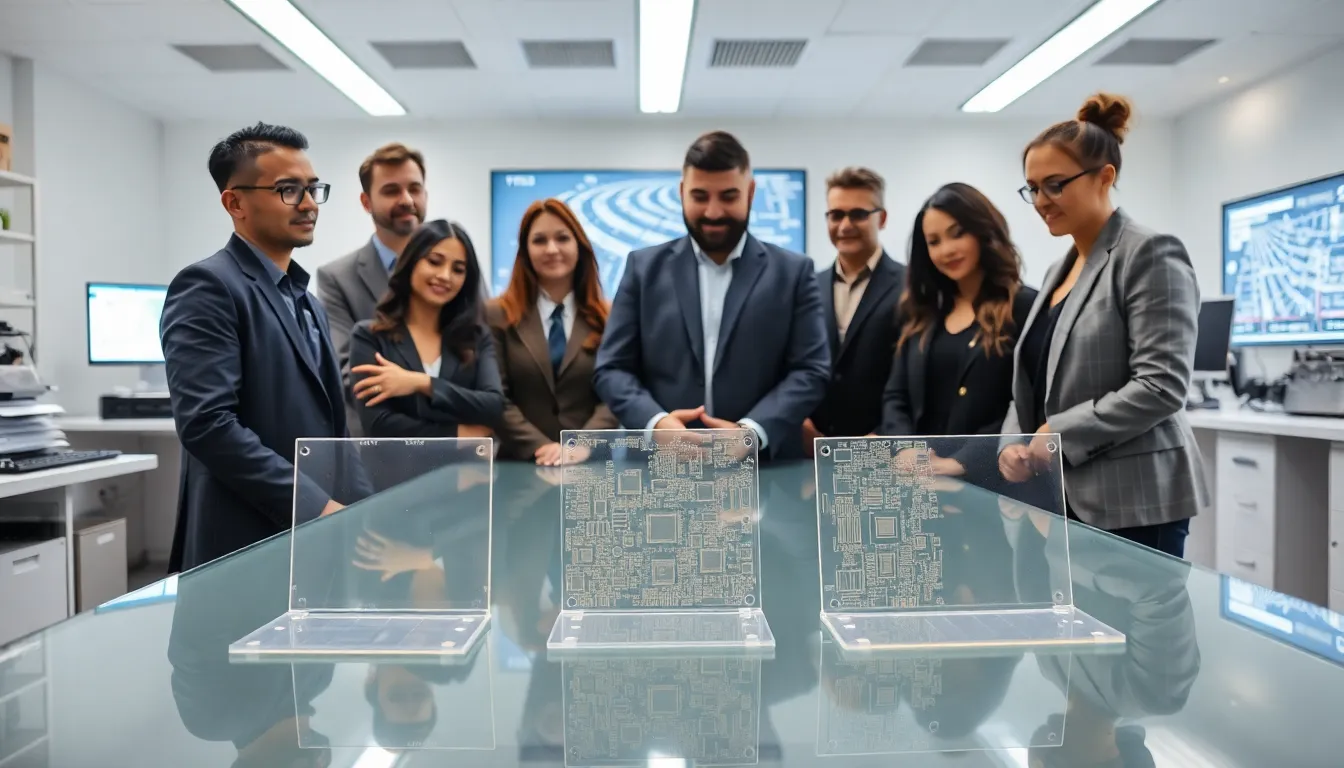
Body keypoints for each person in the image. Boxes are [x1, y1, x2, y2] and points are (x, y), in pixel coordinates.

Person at [998, 92, 1207, 558]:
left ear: (1104, 177)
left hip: (1136, 498)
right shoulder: (1059, 269)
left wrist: (1057, 433)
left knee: (1142, 634)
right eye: (1031, 188)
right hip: (1063, 496)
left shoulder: (1150, 253)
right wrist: (1012, 443)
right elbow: (1031, 383)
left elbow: (1161, 385)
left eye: (1054, 184)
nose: (1040, 201)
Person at [161, 122, 351, 572]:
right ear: (235, 202)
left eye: (312, 189)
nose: (308, 204)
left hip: (318, 538)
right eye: (288, 190)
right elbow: (208, 424)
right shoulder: (208, 286)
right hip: (244, 541)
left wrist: (360, 511)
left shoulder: (305, 298)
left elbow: (334, 430)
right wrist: (313, 505)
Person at [593, 130, 830, 460]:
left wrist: (751, 433)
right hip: (660, 470)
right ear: (681, 193)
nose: (714, 212)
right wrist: (657, 424)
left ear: (750, 192)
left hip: (766, 471)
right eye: (700, 196)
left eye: (729, 197)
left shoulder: (793, 273)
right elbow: (612, 369)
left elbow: (811, 370)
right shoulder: (642, 269)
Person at [881, 183, 1036, 478]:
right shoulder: (921, 314)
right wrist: (904, 448)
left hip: (993, 483)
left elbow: (1021, 406)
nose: (947, 250)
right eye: (934, 241)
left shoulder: (1024, 307)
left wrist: (960, 463)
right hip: (921, 482)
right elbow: (896, 396)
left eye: (957, 234)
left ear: (983, 232)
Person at [487, 198, 617, 464]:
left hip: (590, 464)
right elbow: (496, 396)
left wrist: (581, 444)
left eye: (562, 238)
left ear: (579, 246)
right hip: (519, 465)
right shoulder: (496, 314)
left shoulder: (609, 317)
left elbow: (616, 393)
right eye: (539, 240)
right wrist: (541, 447)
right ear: (524, 251)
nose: (552, 249)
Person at [348, 219, 503, 439]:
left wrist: (421, 383)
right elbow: (378, 425)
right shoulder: (370, 337)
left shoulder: (475, 337)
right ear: (411, 262)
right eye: (434, 261)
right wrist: (457, 434)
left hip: (466, 472)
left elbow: (493, 407)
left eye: (458, 269)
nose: (445, 276)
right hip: (396, 471)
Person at [316, 142, 428, 436]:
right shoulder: (337, 279)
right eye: (391, 190)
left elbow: (479, 360)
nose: (406, 199)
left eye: (414, 188)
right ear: (366, 202)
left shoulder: (460, 269)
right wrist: (441, 402)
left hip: (463, 451)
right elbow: (351, 375)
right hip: (377, 445)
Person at [804, 167, 906, 452]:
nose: (845, 225)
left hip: (884, 450)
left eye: (858, 214)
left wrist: (885, 434)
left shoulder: (912, 287)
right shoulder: (807, 285)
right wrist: (797, 422)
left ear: (881, 218)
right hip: (811, 449)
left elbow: (917, 379)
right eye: (836, 215)